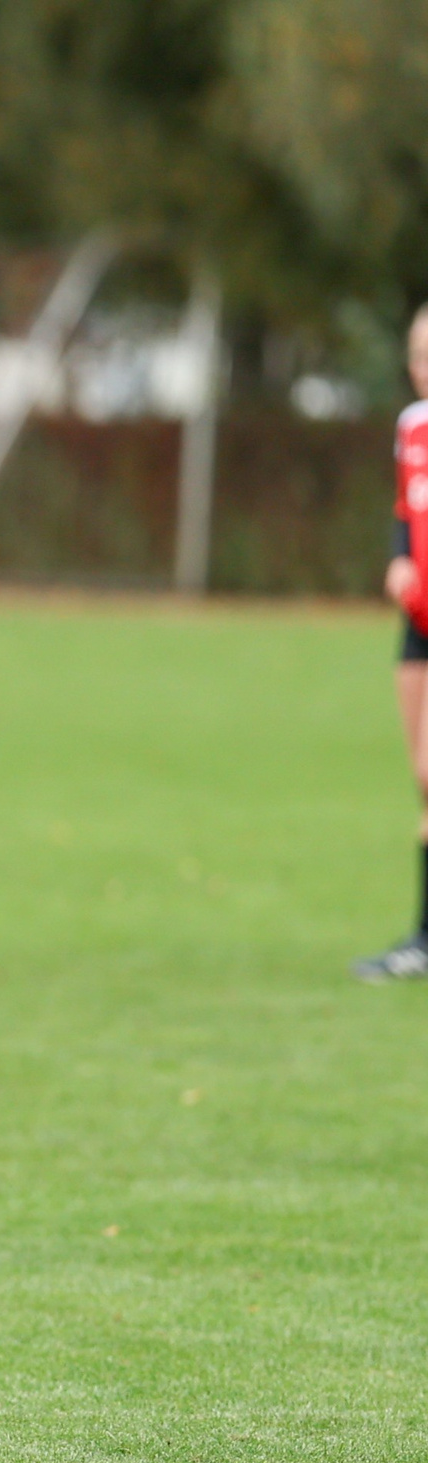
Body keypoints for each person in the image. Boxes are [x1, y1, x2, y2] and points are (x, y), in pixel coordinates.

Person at [355, 305, 428, 980]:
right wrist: (399, 556)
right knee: (425, 782)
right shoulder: (411, 427)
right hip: (418, 621)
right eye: (419, 357)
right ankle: (424, 941)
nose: (425, 369)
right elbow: (407, 510)